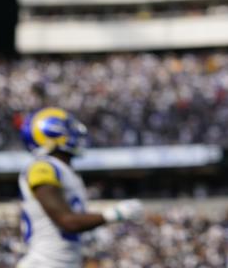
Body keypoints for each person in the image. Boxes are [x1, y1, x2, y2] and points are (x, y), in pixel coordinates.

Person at [17, 107, 144, 268]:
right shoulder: (43, 167)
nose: (73, 133)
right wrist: (114, 214)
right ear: (52, 132)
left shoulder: (64, 170)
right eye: (67, 128)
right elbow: (67, 221)